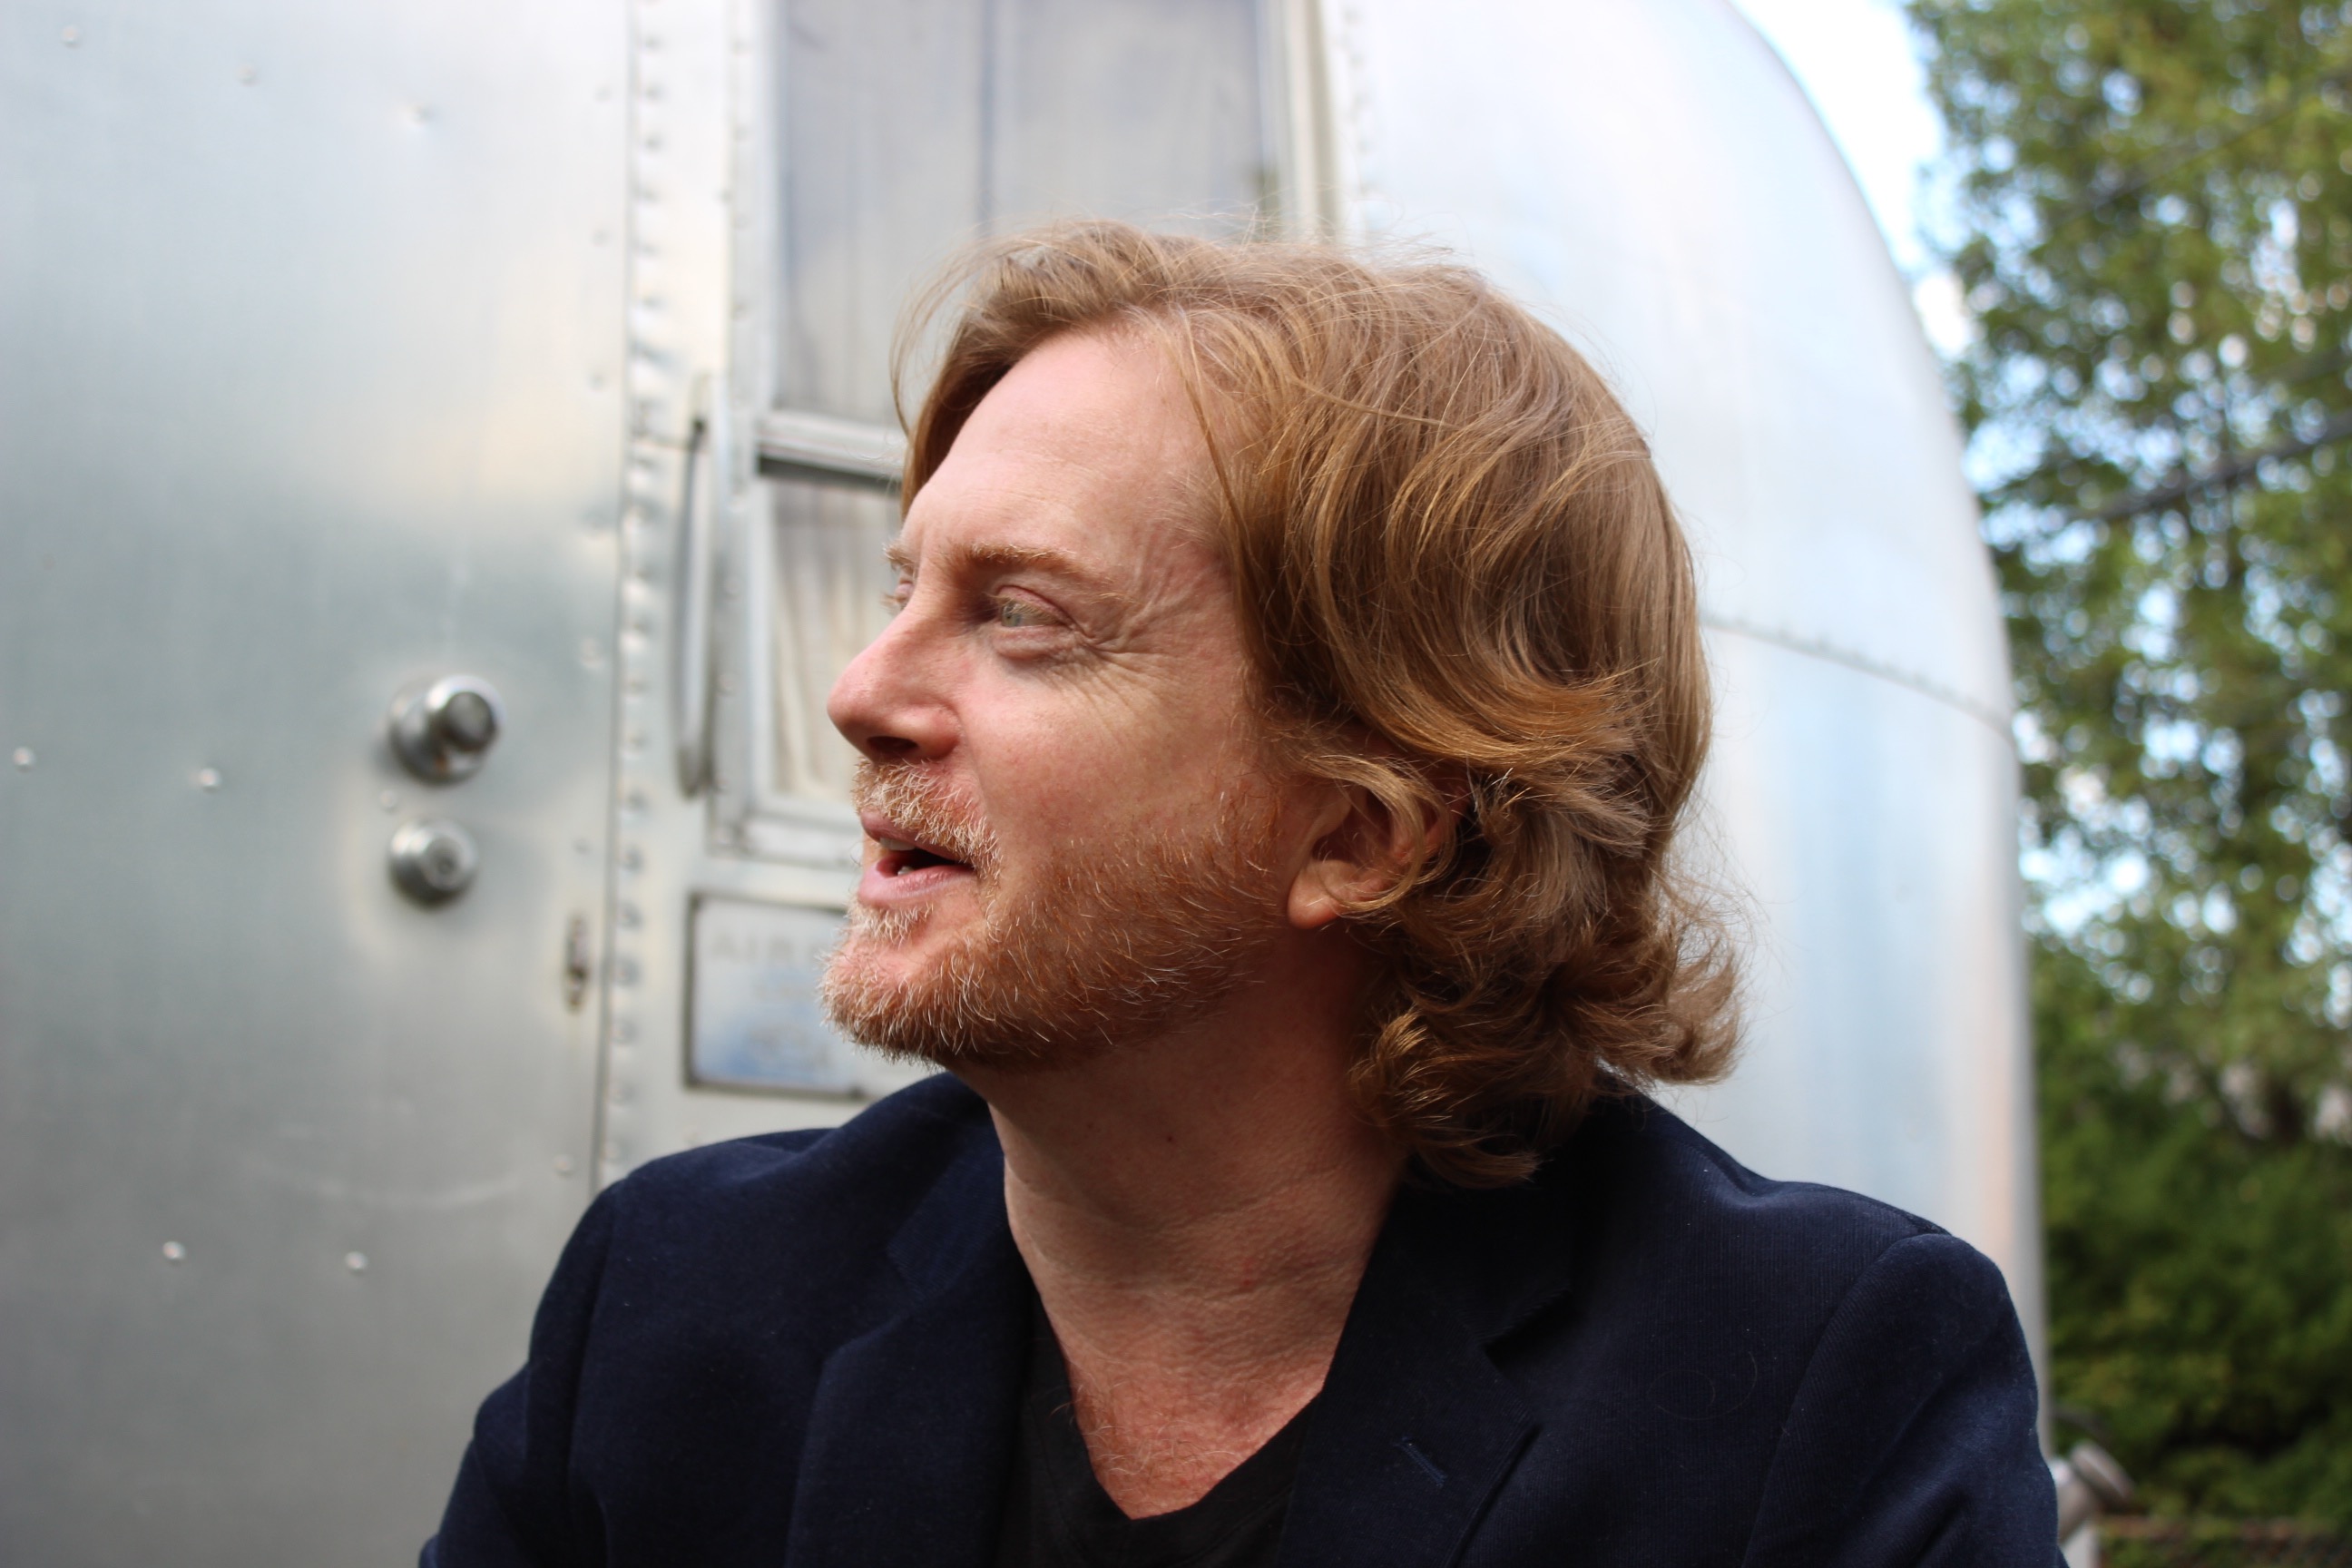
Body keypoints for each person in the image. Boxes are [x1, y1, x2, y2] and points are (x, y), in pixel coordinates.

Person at [423, 223, 2058, 1567]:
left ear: (1366, 830)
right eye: (901, 587)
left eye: (1024, 617)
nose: (861, 690)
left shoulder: (1813, 1402)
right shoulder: (678, 1311)